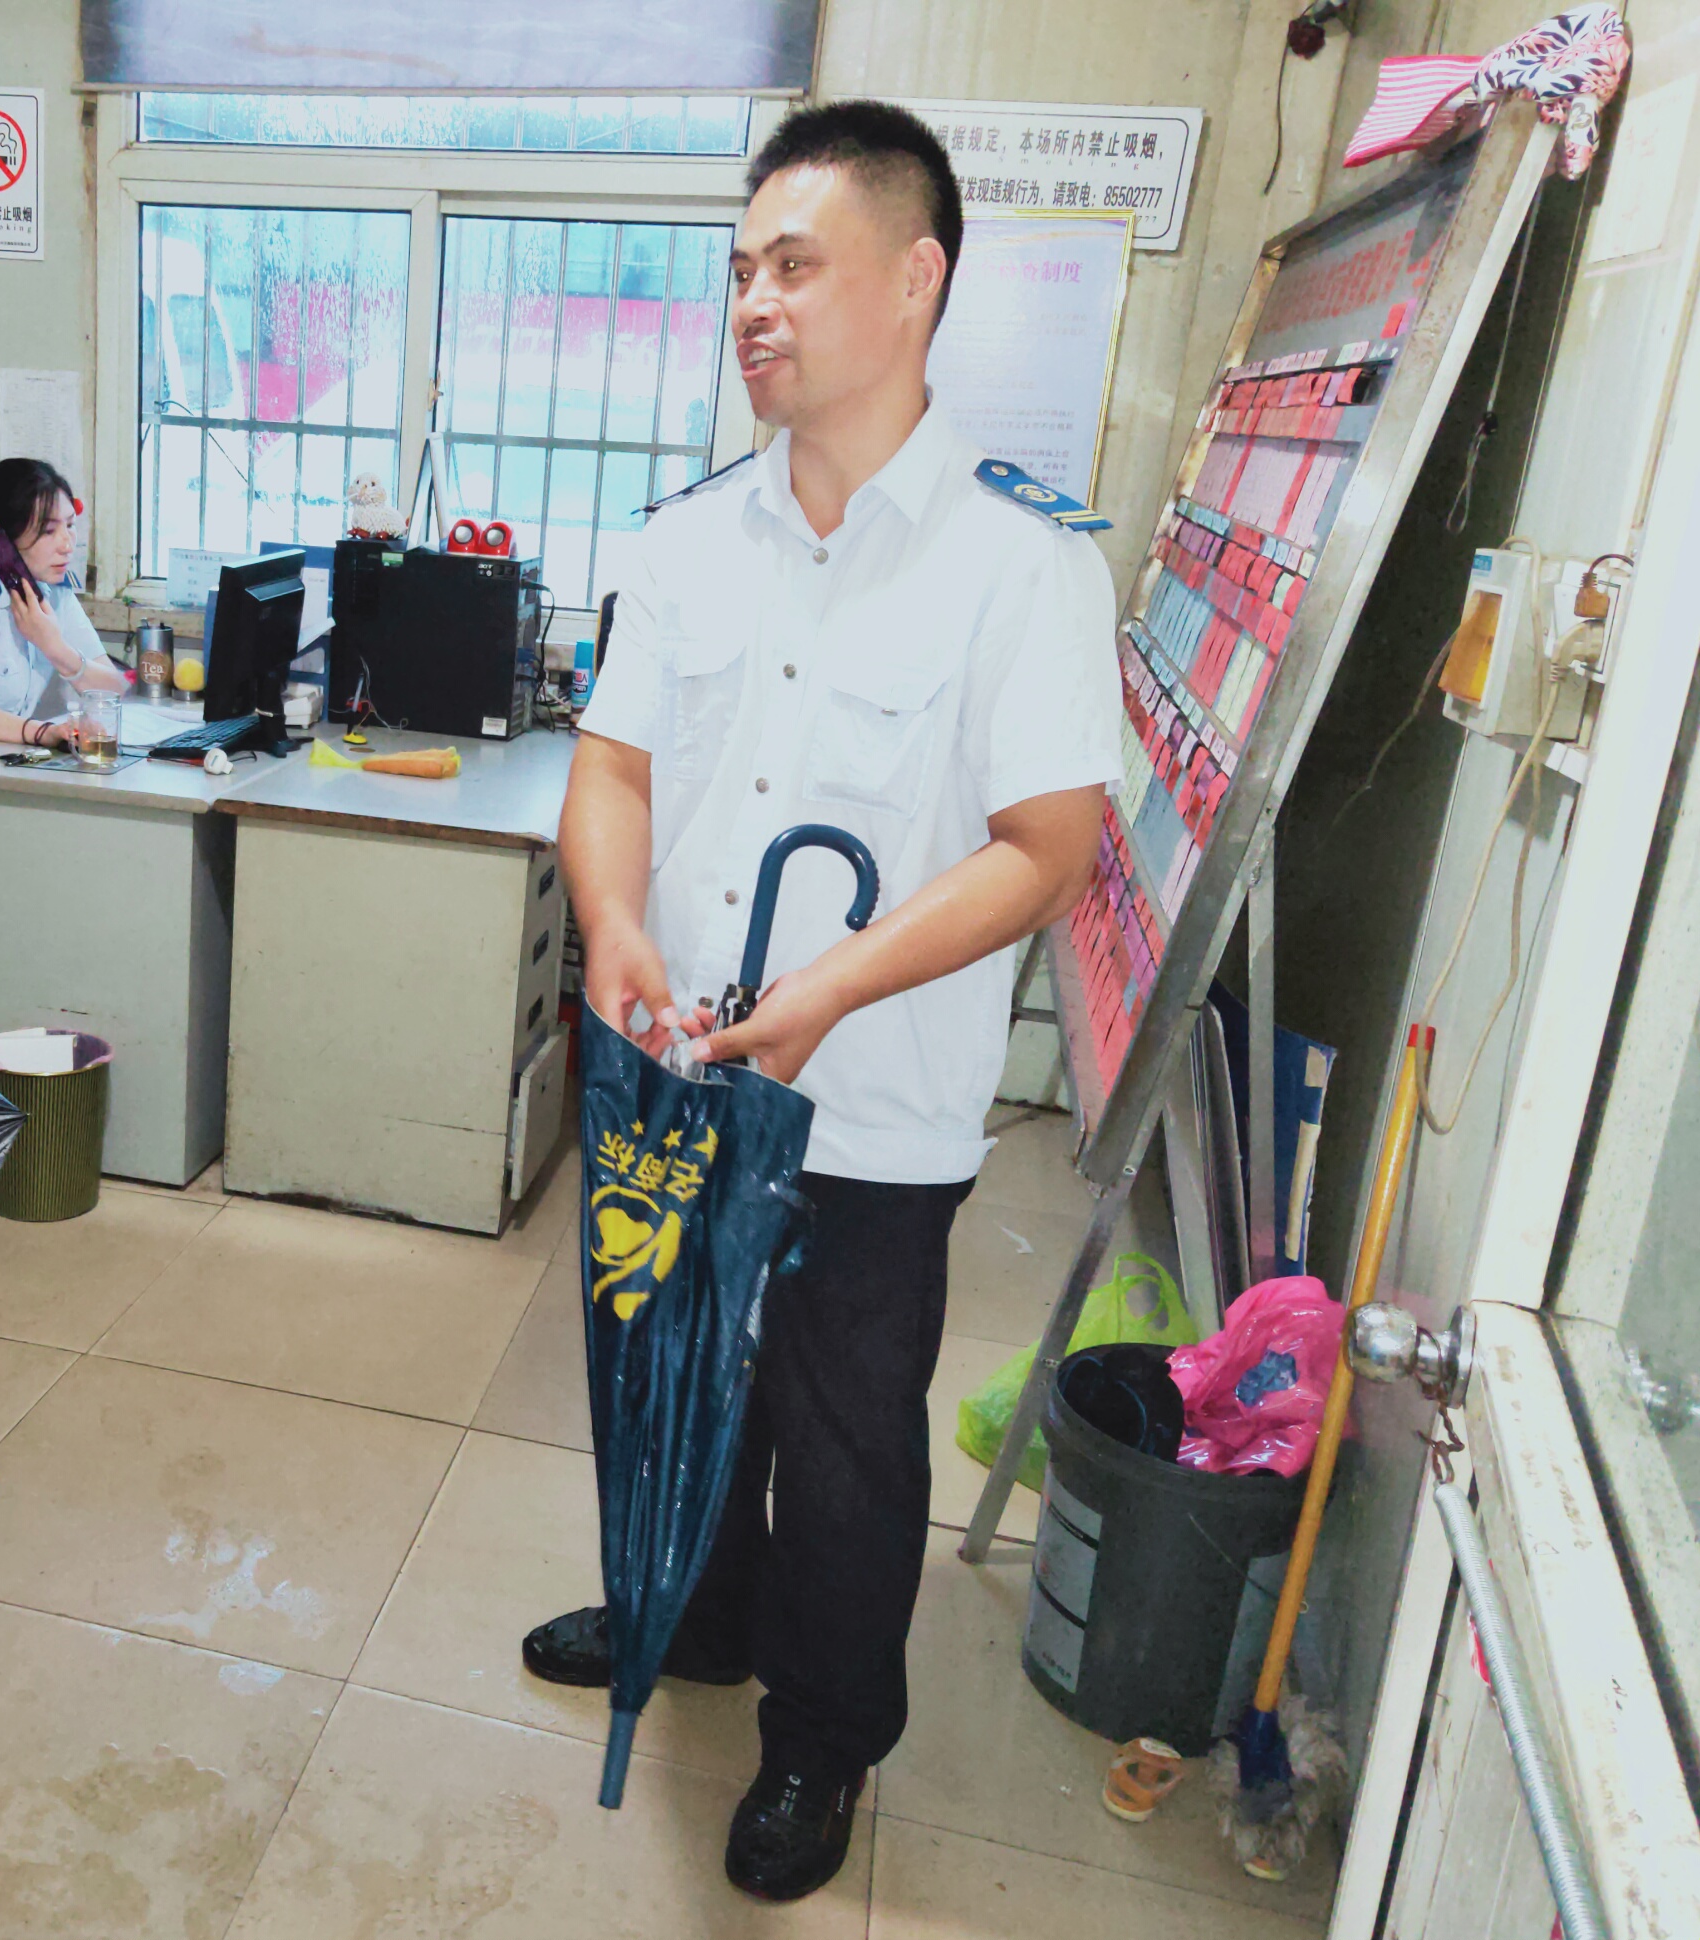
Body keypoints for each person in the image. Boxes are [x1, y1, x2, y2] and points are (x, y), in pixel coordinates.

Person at [521, 100, 1122, 1903]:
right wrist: (609, 921)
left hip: (869, 1115)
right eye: (739, 271)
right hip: (677, 1076)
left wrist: (830, 993)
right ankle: (692, 1618)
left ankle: (823, 1733)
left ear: (914, 278)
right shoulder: (688, 539)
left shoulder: (1023, 564)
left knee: (847, 1449)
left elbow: (1046, 850)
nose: (752, 304)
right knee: (670, 1373)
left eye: (793, 264)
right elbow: (613, 768)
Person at [0, 459, 125, 747]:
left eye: (70, 525)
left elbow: (114, 689)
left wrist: (55, 647)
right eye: (48, 531)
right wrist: (41, 732)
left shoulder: (52, 589)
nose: (67, 545)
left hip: (2, 761)